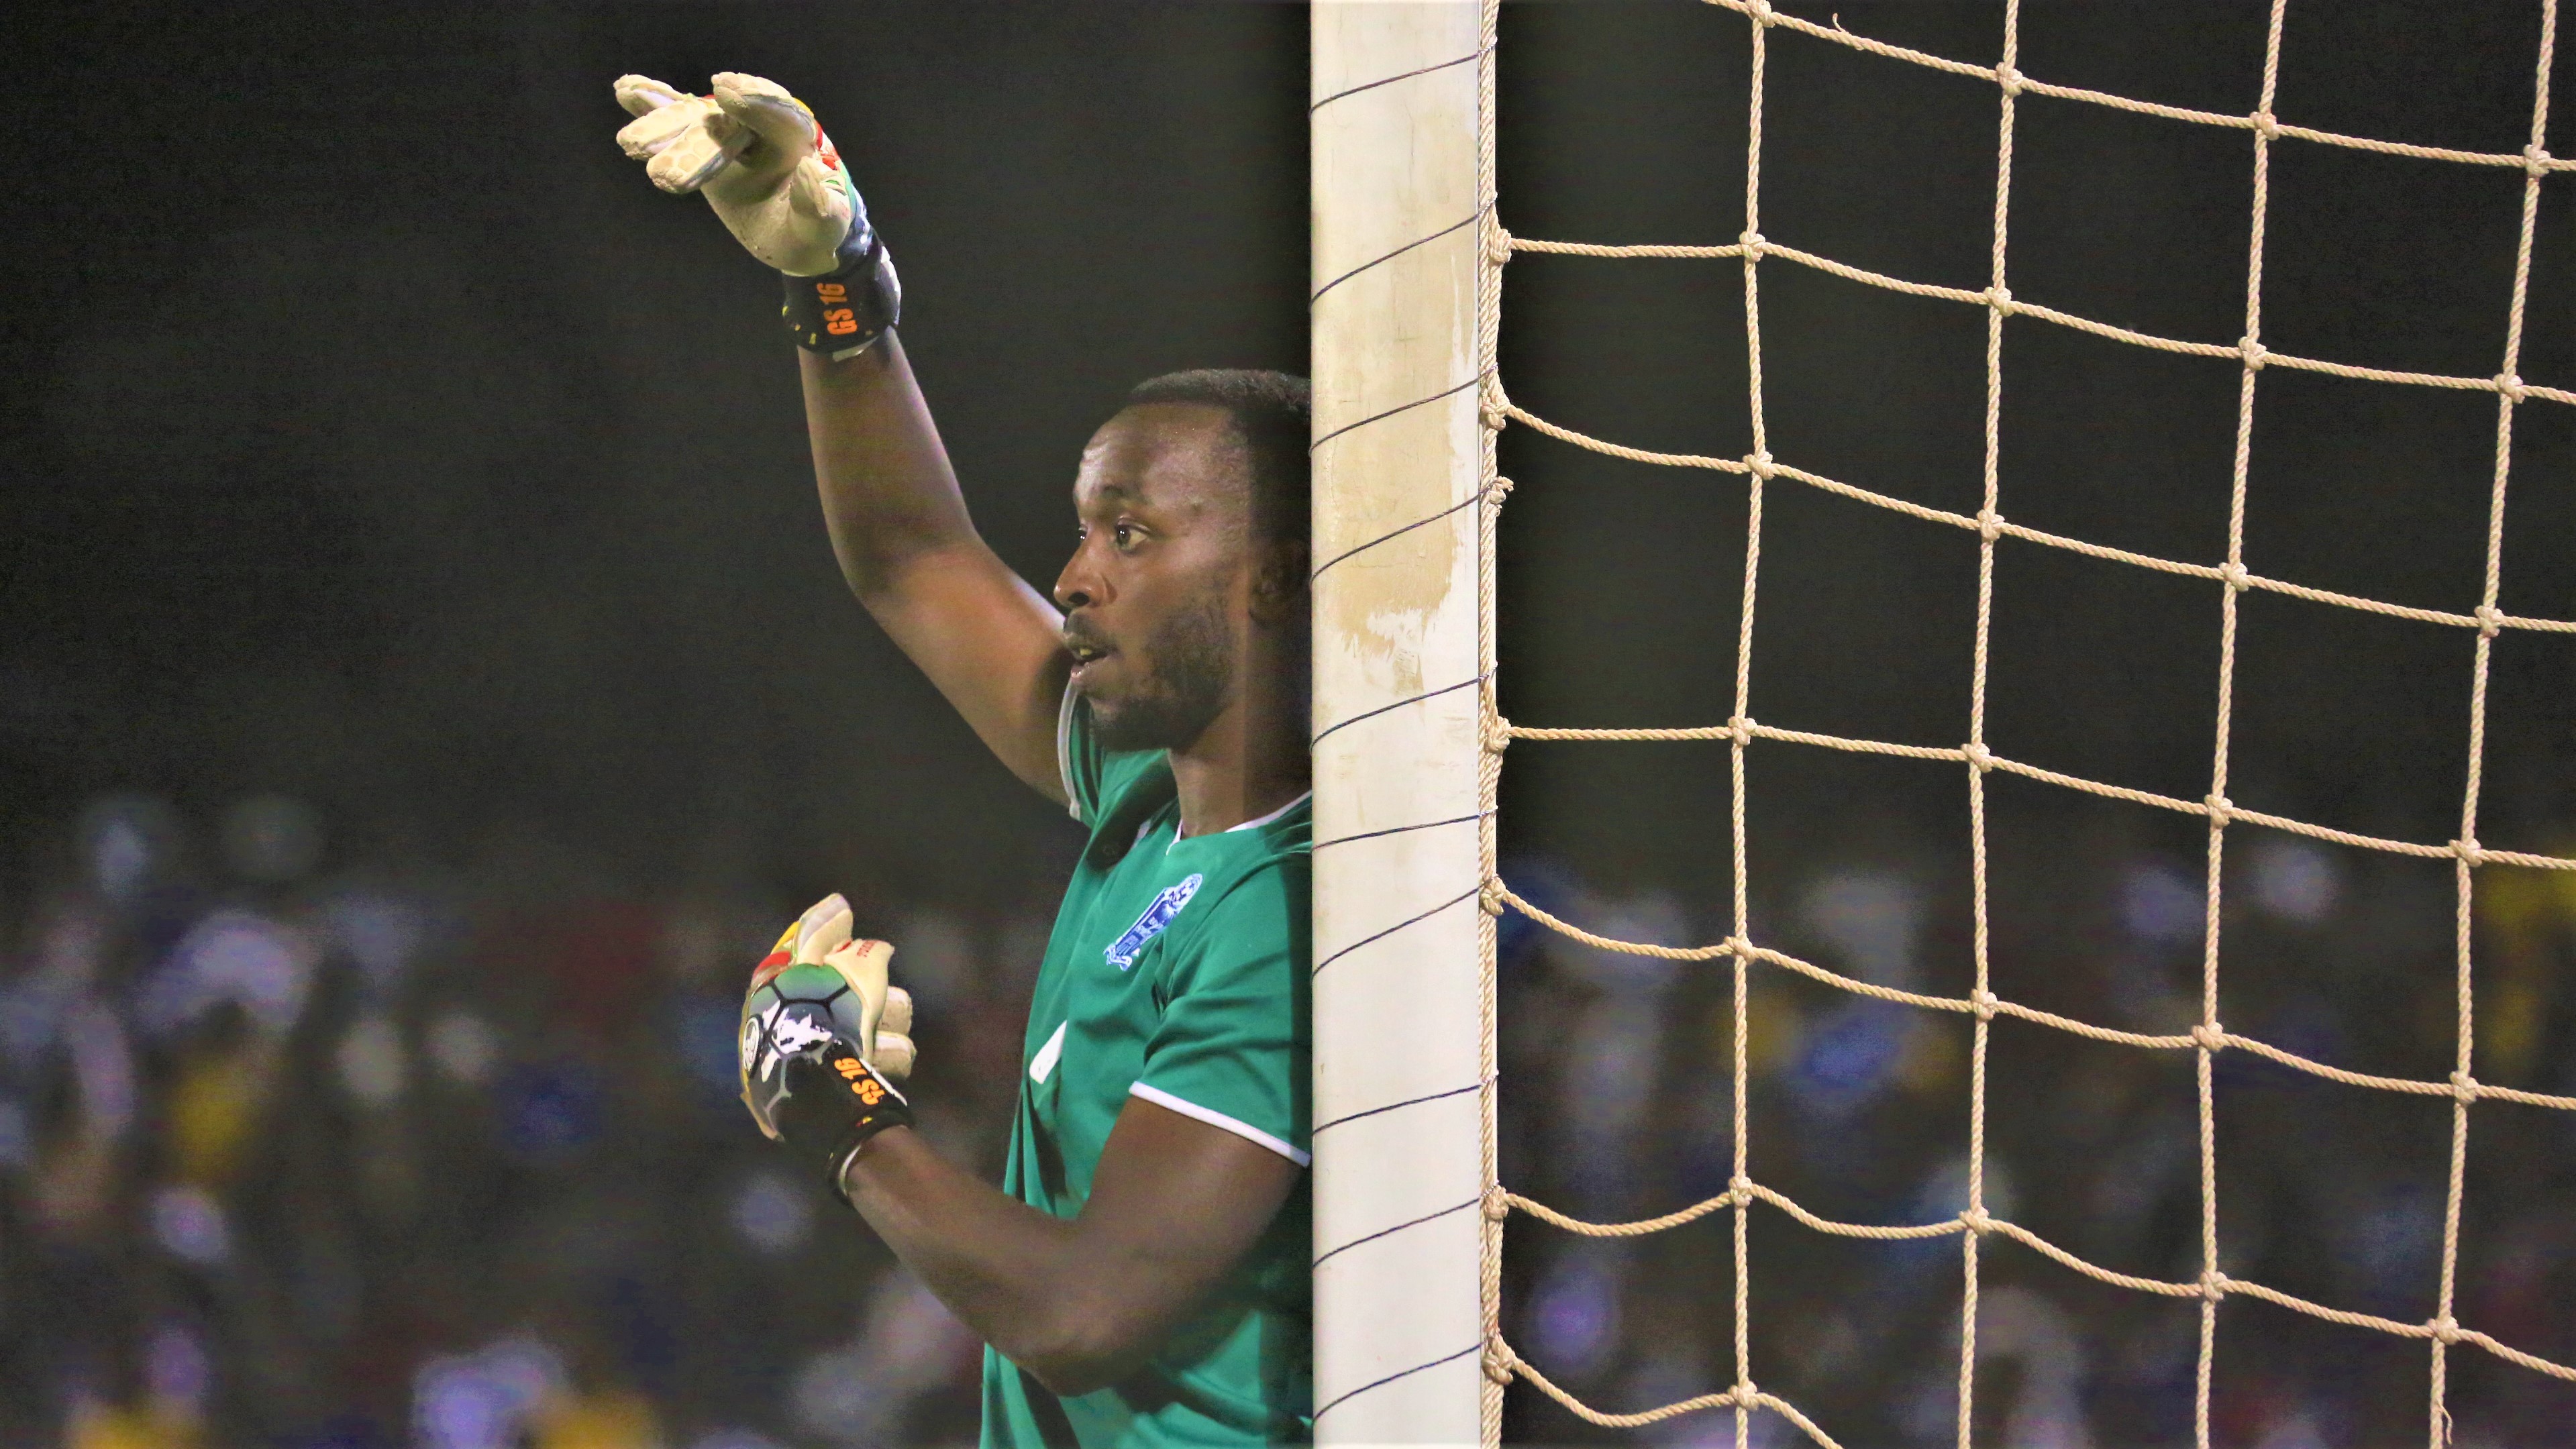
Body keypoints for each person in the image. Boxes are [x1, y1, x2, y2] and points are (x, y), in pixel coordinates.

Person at [614, 74, 1315, 1446]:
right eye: (1080, 528)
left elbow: (1086, 1309)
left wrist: (837, 1111)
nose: (1070, 577)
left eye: (1129, 535)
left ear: (1274, 583)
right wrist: (837, 287)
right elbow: (913, 557)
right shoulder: (1146, 797)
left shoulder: (1288, 914)